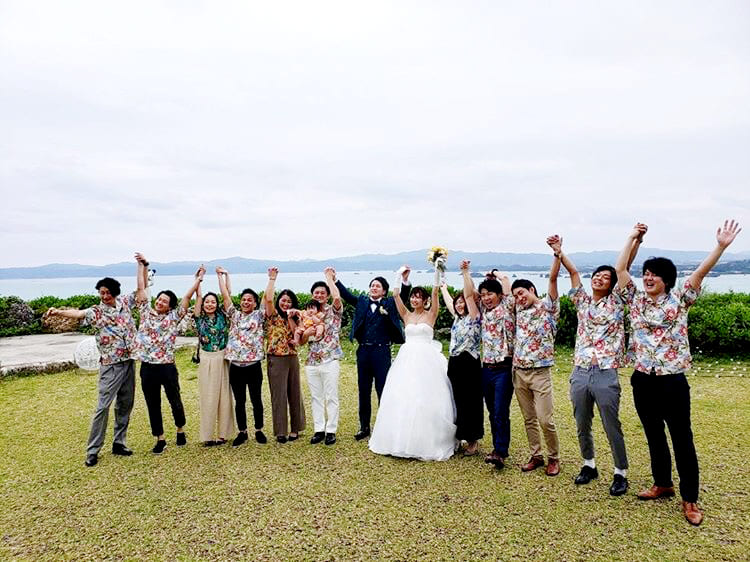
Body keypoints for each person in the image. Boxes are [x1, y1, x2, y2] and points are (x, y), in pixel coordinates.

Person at [615, 219, 741, 526]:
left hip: (672, 381)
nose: (648, 278)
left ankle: (690, 499)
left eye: (654, 275)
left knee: (682, 438)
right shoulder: (635, 300)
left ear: (667, 280)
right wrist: (632, 237)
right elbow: (620, 270)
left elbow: (700, 273)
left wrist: (721, 245)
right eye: (645, 274)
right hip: (643, 378)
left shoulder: (680, 300)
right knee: (653, 433)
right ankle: (663, 483)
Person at [552, 233, 641, 496]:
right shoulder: (581, 300)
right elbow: (573, 272)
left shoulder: (617, 301)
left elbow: (623, 269)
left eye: (606, 277)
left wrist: (635, 241)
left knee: (610, 423)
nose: (600, 278)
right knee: (582, 422)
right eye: (597, 275)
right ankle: (588, 464)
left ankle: (620, 472)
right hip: (580, 369)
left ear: (612, 284)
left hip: (605, 371)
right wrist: (559, 252)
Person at [46, 273, 138, 467]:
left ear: (115, 293)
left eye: (107, 293)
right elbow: (78, 314)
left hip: (129, 361)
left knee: (125, 404)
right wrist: (58, 312)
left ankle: (119, 443)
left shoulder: (125, 303)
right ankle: (93, 450)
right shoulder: (96, 311)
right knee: (102, 407)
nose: (104, 296)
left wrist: (143, 266)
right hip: (110, 364)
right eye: (101, 293)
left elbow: (141, 290)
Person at [369, 264, 457, 461]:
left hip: (427, 359)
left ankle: (427, 440)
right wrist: (398, 276)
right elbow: (395, 295)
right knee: (403, 395)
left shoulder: (431, 314)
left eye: (418, 296)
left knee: (426, 397)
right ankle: (399, 439)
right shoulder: (407, 315)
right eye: (413, 296)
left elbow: (435, 292)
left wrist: (437, 268)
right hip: (407, 358)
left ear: (424, 301)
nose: (415, 299)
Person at [133, 253, 200, 454]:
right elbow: (141, 289)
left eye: (165, 301)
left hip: (167, 367)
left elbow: (187, 298)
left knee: (175, 400)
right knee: (153, 404)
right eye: (160, 299)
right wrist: (142, 265)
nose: (160, 302)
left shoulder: (173, 318)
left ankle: (180, 429)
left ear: (170, 306)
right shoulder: (145, 312)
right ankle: (160, 438)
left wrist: (198, 279)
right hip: (147, 367)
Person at [336, 271, 411, 440]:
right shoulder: (362, 302)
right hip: (363, 350)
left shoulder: (389, 303)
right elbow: (347, 295)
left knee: (382, 389)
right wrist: (335, 280)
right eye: (372, 285)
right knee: (363, 389)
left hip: (381, 351)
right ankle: (364, 427)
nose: (374, 288)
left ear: (384, 291)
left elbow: (403, 296)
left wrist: (404, 280)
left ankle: (386, 426)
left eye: (378, 286)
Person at [511, 241, 562, 476]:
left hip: (540, 372)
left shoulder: (548, 308)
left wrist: (557, 254)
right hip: (519, 371)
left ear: (532, 290)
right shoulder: (519, 311)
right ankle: (536, 455)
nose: (519, 298)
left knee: (545, 419)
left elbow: (552, 280)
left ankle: (554, 457)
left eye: (521, 293)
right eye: (515, 296)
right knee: (529, 418)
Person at [463, 265, 515, 469]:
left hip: (504, 367)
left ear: (499, 294)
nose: (485, 298)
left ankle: (500, 451)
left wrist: (496, 274)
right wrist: (467, 273)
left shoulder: (508, 306)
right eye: (483, 295)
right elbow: (469, 295)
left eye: (490, 294)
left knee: (501, 410)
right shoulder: (484, 311)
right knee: (492, 411)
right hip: (487, 368)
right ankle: (497, 449)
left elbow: (507, 283)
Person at [217, 267, 268, 446]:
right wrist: (221, 277)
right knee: (239, 400)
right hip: (236, 366)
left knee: (256, 399)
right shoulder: (235, 315)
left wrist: (271, 279)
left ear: (254, 303)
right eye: (244, 299)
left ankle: (259, 430)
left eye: (250, 300)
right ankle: (242, 431)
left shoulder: (259, 316)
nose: (246, 302)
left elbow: (267, 298)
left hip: (253, 366)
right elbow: (225, 297)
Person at [440, 261, 483, 457]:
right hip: (455, 363)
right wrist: (442, 283)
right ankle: (460, 435)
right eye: (457, 303)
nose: (459, 305)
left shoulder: (474, 315)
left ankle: (473, 440)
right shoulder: (457, 318)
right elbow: (449, 299)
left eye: (462, 302)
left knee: (471, 401)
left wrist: (466, 273)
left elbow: (469, 293)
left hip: (470, 362)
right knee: (457, 400)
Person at [300, 268, 344, 446]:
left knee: (331, 396)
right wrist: (306, 333)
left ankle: (331, 430)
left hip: (330, 358)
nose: (319, 295)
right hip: (311, 361)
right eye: (316, 293)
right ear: (312, 295)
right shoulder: (306, 314)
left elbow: (337, 298)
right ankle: (319, 429)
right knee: (316, 397)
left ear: (326, 296)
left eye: (322, 293)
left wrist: (329, 279)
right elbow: (302, 341)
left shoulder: (333, 311)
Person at [263, 267, 306, 443]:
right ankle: (281, 431)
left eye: (289, 301)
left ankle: (296, 429)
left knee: (295, 393)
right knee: (278, 395)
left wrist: (291, 317)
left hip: (291, 358)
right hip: (275, 358)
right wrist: (272, 279)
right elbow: (268, 298)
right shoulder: (272, 315)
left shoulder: (296, 317)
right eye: (283, 300)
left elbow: (300, 337)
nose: (285, 304)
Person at [193, 267, 235, 446]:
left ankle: (223, 434)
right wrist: (199, 279)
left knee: (224, 396)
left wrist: (223, 276)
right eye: (207, 302)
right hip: (206, 357)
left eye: (213, 302)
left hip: (222, 357)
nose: (210, 304)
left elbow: (227, 295)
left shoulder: (222, 316)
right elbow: (198, 297)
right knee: (208, 397)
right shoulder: (199, 317)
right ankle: (208, 435)